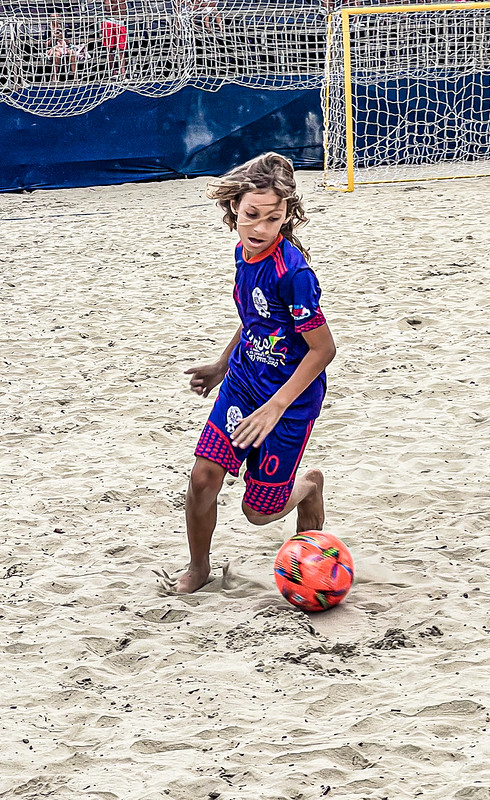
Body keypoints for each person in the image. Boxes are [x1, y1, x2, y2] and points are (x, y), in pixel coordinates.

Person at [160, 152, 337, 594]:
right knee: (203, 477)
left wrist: (276, 408)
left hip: (289, 400)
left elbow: (323, 348)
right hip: (243, 382)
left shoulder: (294, 272)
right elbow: (257, 317)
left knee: (258, 512)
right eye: (251, 215)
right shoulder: (243, 252)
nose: (259, 229)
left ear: (286, 217)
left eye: (272, 219)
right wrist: (222, 365)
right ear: (234, 207)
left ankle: (310, 487)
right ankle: (199, 568)